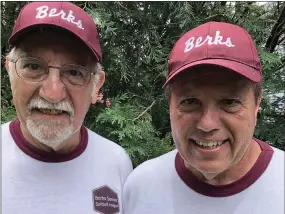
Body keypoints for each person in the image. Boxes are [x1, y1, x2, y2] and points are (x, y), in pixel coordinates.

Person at [123, 21, 284, 214]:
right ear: (170, 105)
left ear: (257, 103)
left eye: (230, 102)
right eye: (190, 101)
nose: (207, 124)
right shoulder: (141, 187)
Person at [2, 2, 132, 214]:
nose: (53, 93)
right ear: (10, 70)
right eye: (34, 66)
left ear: (96, 84)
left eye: (74, 72)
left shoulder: (116, 163)